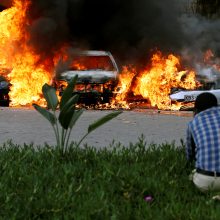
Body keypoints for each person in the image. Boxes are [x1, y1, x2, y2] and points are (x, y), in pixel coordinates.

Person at [186, 92, 220, 192]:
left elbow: (190, 155)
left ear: (195, 110)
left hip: (206, 182)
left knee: (192, 174)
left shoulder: (193, 123)